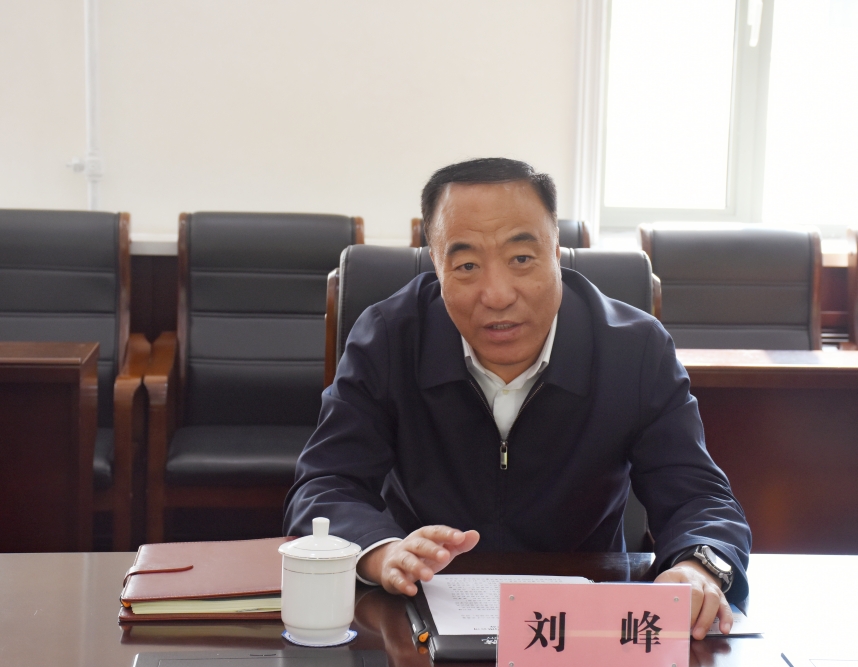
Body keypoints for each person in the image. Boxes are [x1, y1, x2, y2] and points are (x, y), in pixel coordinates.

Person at [284, 158, 751, 639]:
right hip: (419, 609)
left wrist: (699, 566)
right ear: (437, 266)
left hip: (584, 623)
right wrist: (382, 551)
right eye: (466, 265)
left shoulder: (634, 349)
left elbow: (698, 496)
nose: (497, 294)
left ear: (556, 253)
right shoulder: (389, 337)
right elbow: (325, 485)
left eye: (522, 259)